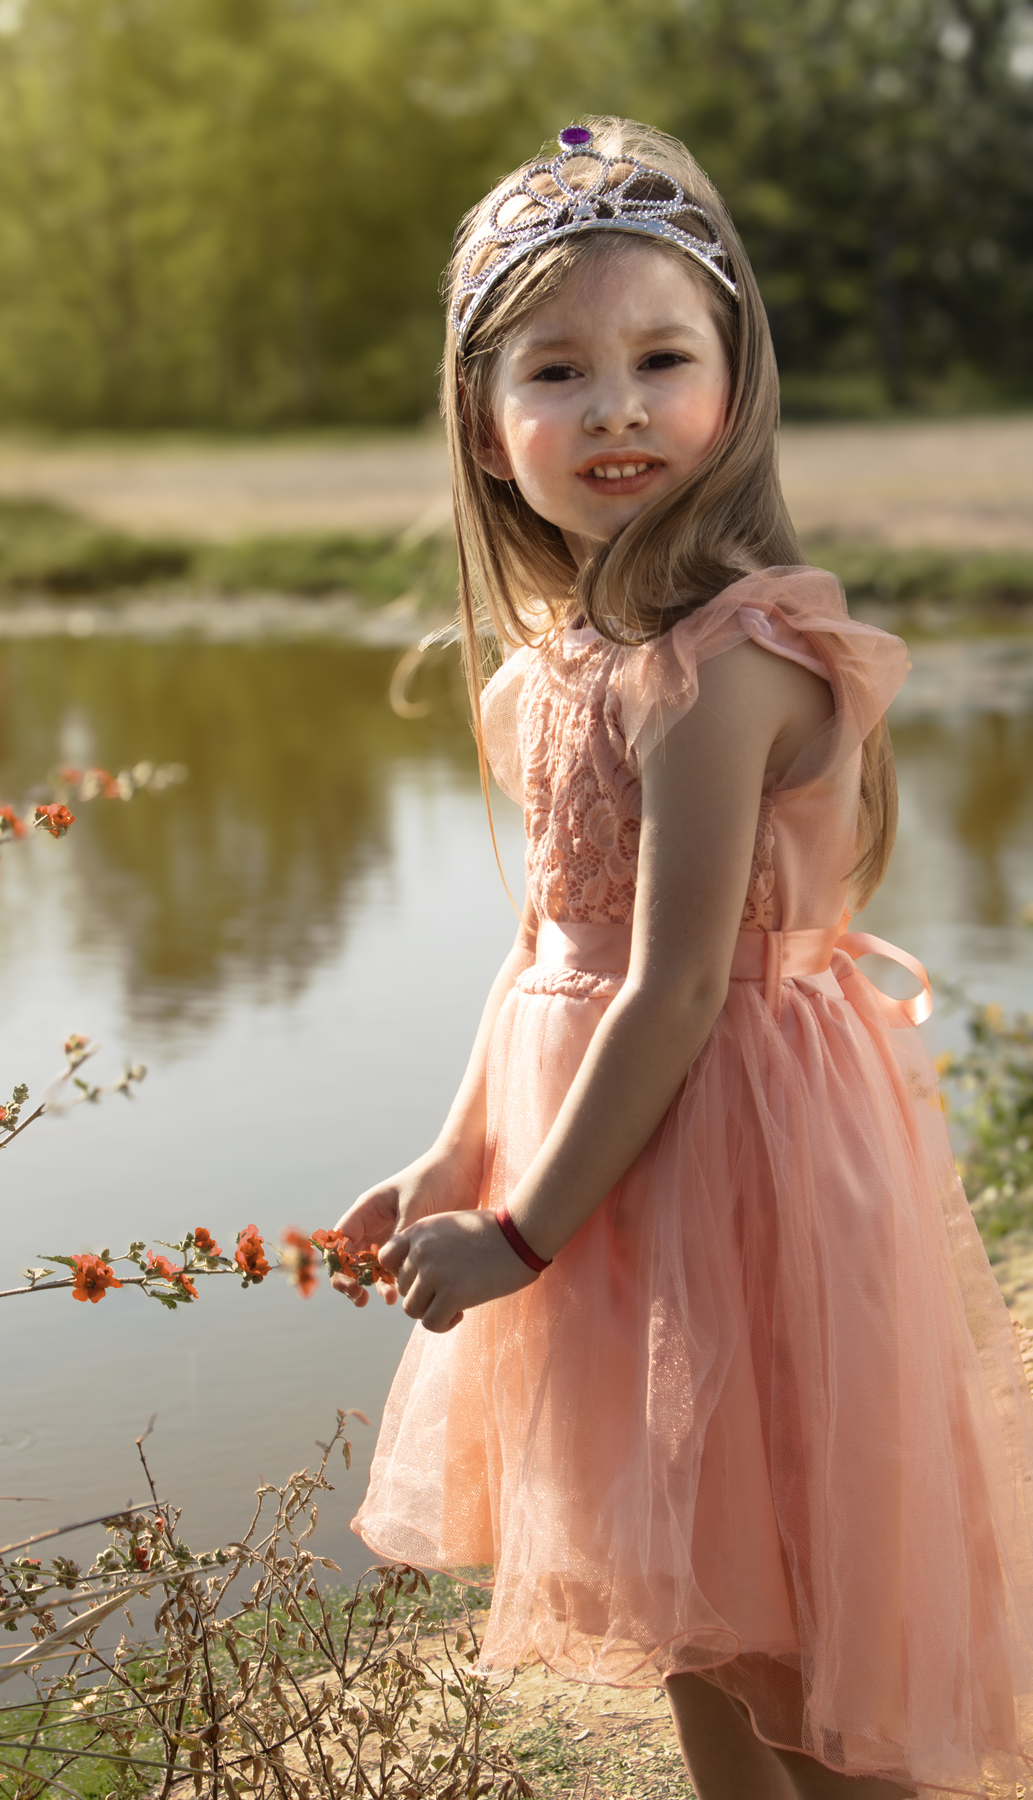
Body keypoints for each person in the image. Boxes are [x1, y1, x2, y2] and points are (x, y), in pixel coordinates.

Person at [332, 117, 1033, 1798]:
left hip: (747, 1155)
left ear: (736, 382)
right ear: (492, 434)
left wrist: (516, 1225)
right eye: (558, 374)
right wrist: (457, 1141)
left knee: (805, 1615)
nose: (617, 408)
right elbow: (543, 947)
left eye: (661, 358)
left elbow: (682, 983)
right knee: (682, 1607)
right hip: (615, 1167)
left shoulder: (727, 664)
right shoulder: (552, 666)